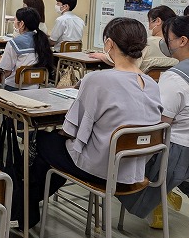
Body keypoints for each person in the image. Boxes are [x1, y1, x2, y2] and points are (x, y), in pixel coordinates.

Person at [30, 17, 163, 227]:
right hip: (135, 171)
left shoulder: (97, 80)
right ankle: (29, 204)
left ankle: (25, 209)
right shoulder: (152, 83)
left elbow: (70, 130)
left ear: (109, 44)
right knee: (52, 151)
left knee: (43, 140)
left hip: (102, 170)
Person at [119, 16, 189, 227]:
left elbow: (158, 123)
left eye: (168, 39)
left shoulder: (175, 77)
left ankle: (159, 194)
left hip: (174, 152)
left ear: (182, 41)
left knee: (113, 159)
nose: (166, 44)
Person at [89, 5, 178, 72]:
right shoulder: (176, 45)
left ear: (158, 21)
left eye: (150, 22)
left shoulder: (146, 43)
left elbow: (127, 64)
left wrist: (102, 56)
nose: (149, 26)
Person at [0, 7, 54, 90]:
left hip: (13, 87)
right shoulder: (42, 40)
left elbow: (7, 71)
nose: (14, 22)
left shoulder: (13, 43)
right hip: (35, 87)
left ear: (21, 24)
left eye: (15, 20)